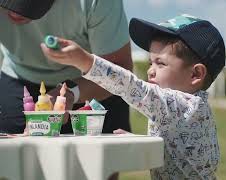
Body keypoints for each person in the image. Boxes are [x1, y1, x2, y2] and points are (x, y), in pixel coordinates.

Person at [42, 14, 225, 179]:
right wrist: (141, 141)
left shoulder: (182, 104)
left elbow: (131, 86)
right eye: (150, 62)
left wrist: (85, 61)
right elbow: (177, 152)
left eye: (160, 63)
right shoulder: (193, 108)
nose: (150, 71)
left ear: (196, 74)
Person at [0, 0, 132, 135]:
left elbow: (118, 69)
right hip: (18, 78)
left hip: (94, 85)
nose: (14, 12)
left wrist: (70, 93)